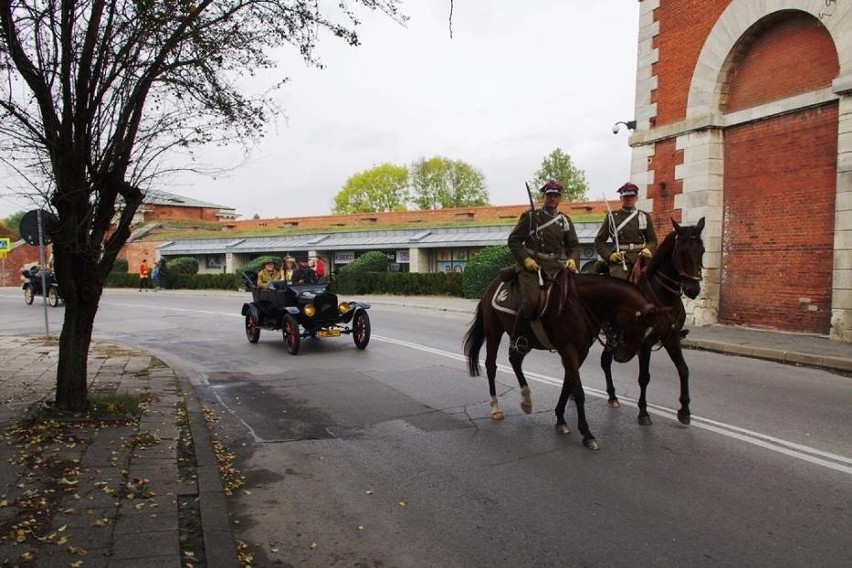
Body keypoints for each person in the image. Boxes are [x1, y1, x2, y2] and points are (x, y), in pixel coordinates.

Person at [506, 180, 581, 354]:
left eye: (556, 195)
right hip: (532, 266)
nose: (553, 198)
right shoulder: (531, 217)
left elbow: (574, 246)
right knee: (531, 301)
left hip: (555, 266)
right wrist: (525, 260)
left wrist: (572, 259)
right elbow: (514, 240)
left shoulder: (565, 221)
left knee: (575, 296)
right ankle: (518, 338)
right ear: (545, 197)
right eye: (550, 195)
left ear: (560, 198)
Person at [594, 182, 658, 280]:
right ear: (621, 198)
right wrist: (610, 256)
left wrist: (648, 249)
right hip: (622, 259)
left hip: (642, 257)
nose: (628, 199)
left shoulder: (644, 216)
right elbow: (599, 241)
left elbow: (652, 240)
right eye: (626, 197)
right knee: (620, 286)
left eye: (631, 197)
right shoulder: (612, 217)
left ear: (636, 198)